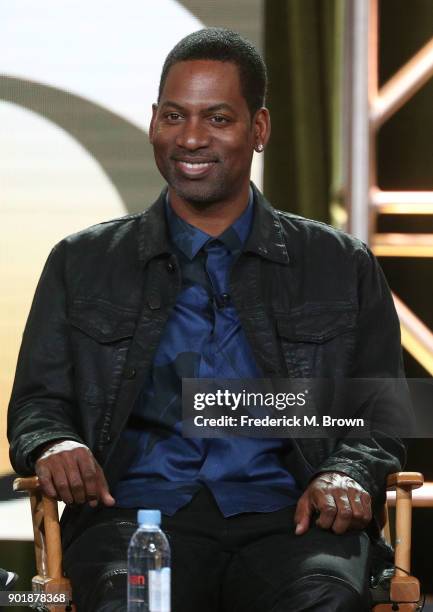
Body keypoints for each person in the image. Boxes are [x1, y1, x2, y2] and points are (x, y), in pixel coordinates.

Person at [8, 28, 405, 611]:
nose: (190, 138)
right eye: (174, 115)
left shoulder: (340, 264)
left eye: (218, 118)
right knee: (133, 603)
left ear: (260, 130)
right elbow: (37, 405)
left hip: (291, 520)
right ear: (152, 123)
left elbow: (384, 414)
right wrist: (53, 443)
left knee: (322, 600)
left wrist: (348, 471)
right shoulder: (82, 261)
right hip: (134, 519)